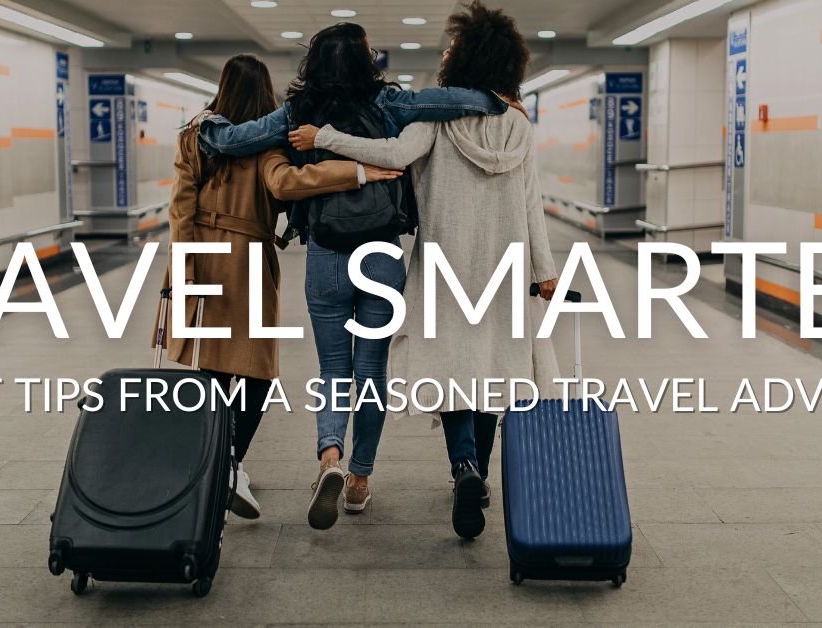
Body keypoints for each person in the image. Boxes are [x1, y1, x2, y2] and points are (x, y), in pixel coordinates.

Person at [195, 23, 512, 532]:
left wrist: (207, 125)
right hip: (381, 255)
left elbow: (237, 140)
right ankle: (360, 479)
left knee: (333, 372)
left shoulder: (301, 111)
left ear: (313, 62)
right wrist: (493, 101)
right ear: (367, 61)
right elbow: (449, 102)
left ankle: (330, 458)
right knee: (372, 376)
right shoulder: (389, 101)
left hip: (325, 253)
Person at [288, 1, 560, 539]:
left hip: (446, 263)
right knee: (489, 372)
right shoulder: (521, 128)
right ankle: (475, 470)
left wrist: (323, 138)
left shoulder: (435, 121)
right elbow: (533, 205)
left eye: (452, 49)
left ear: (466, 61)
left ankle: (459, 467)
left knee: (454, 369)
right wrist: (544, 270)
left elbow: (388, 155)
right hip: (503, 268)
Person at [164, 54, 402, 520]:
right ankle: (230, 464)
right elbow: (289, 182)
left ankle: (208, 464)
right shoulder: (266, 144)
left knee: (208, 373)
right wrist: (356, 170)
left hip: (202, 261)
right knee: (254, 377)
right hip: (249, 264)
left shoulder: (194, 136)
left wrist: (185, 267)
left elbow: (180, 209)